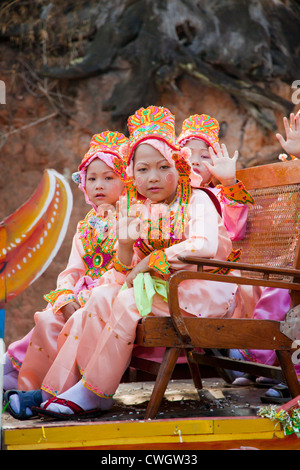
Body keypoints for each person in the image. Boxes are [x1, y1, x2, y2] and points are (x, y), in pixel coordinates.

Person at [30, 105, 240, 420]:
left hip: (202, 290)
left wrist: (149, 262)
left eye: (163, 167)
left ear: (179, 166)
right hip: (162, 290)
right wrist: (126, 247)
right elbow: (125, 269)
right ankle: (74, 388)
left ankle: (92, 390)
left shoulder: (197, 200)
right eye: (142, 169)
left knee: (129, 300)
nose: (153, 178)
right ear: (131, 174)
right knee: (101, 297)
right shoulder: (138, 209)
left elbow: (204, 246)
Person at [4, 130, 128, 418]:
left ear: (126, 180)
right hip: (80, 296)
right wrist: (65, 295)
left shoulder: (131, 218)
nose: (99, 185)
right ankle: (31, 388)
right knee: (48, 318)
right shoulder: (86, 226)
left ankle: (59, 393)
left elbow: (129, 267)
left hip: (109, 297)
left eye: (109, 177)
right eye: (92, 178)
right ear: (83, 183)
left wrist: (89, 296)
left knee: (70, 321)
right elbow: (72, 270)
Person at [177, 113, 254, 242]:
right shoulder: (166, 193)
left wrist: (229, 182)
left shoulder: (219, 197)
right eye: (188, 154)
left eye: (205, 157)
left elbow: (234, 233)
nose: (195, 161)